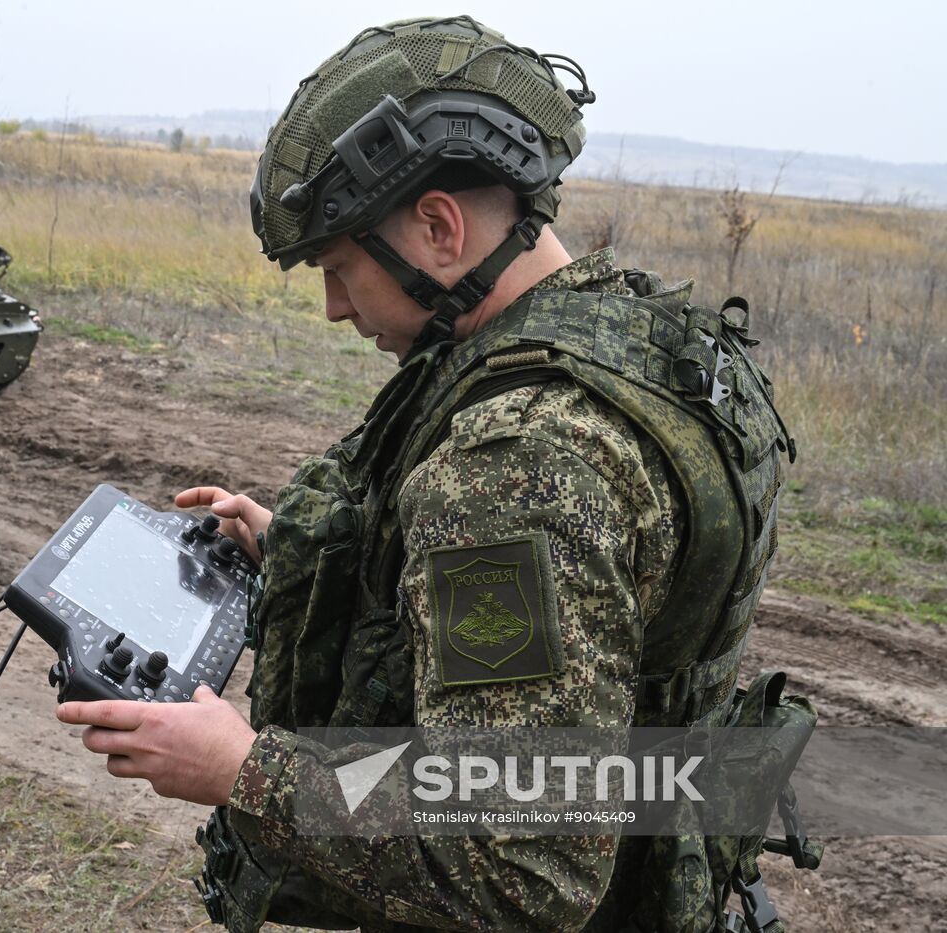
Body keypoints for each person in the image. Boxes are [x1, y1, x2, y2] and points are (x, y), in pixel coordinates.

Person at [58, 15, 807, 932]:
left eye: (338, 267)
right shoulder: (642, 347)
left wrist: (243, 767)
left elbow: (518, 861)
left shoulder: (516, 465)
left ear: (440, 228)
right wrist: (312, 546)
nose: (336, 308)